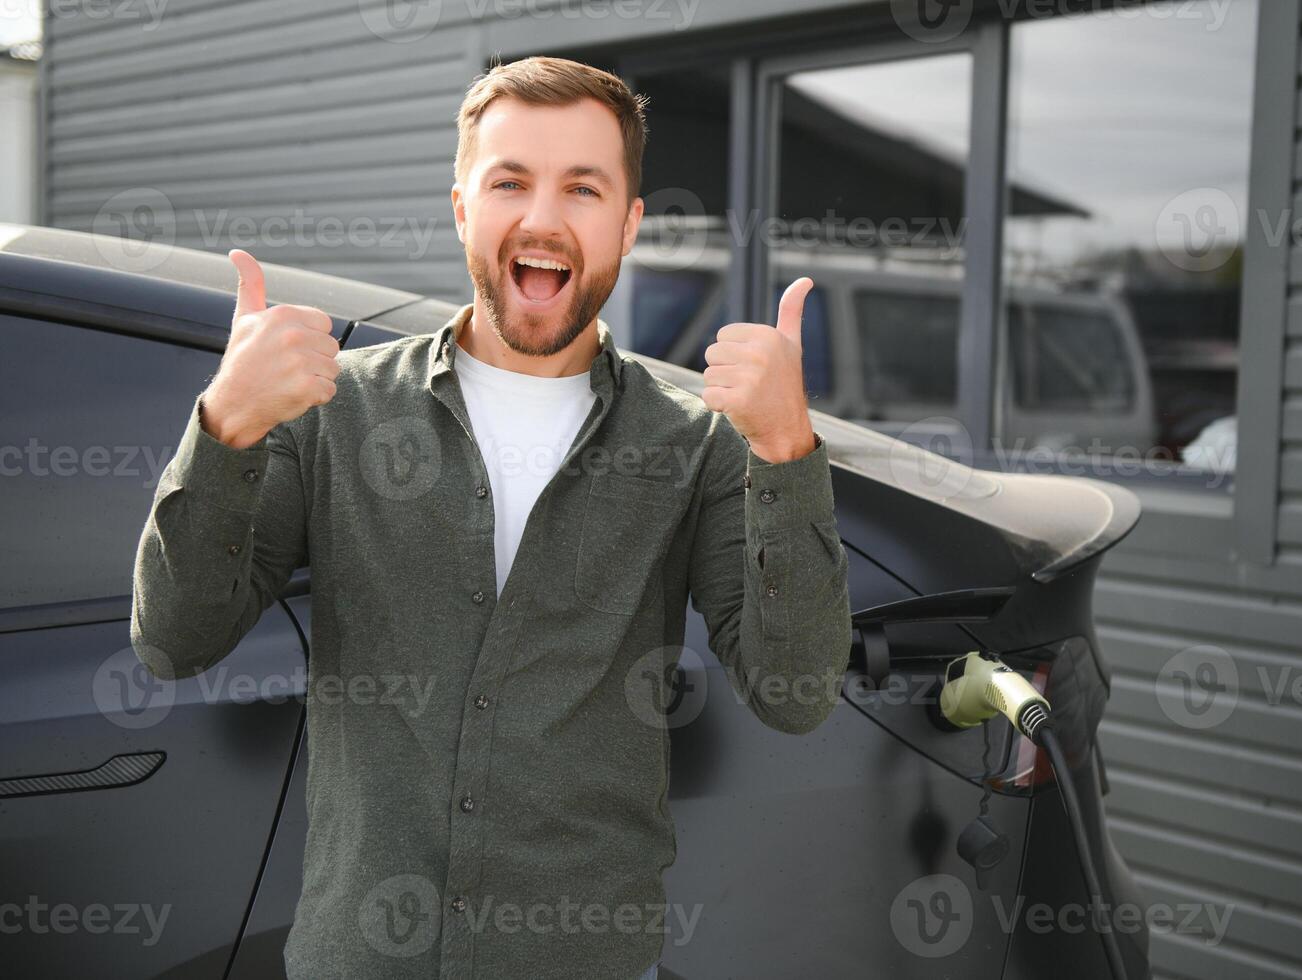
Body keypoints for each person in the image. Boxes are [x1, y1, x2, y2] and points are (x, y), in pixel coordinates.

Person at [129, 55, 852, 979]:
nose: (543, 218)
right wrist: (224, 425)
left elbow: (794, 697)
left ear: (628, 224)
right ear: (463, 206)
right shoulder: (330, 410)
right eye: (509, 181)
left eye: (582, 188)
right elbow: (172, 642)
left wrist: (787, 453)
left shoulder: (698, 443)